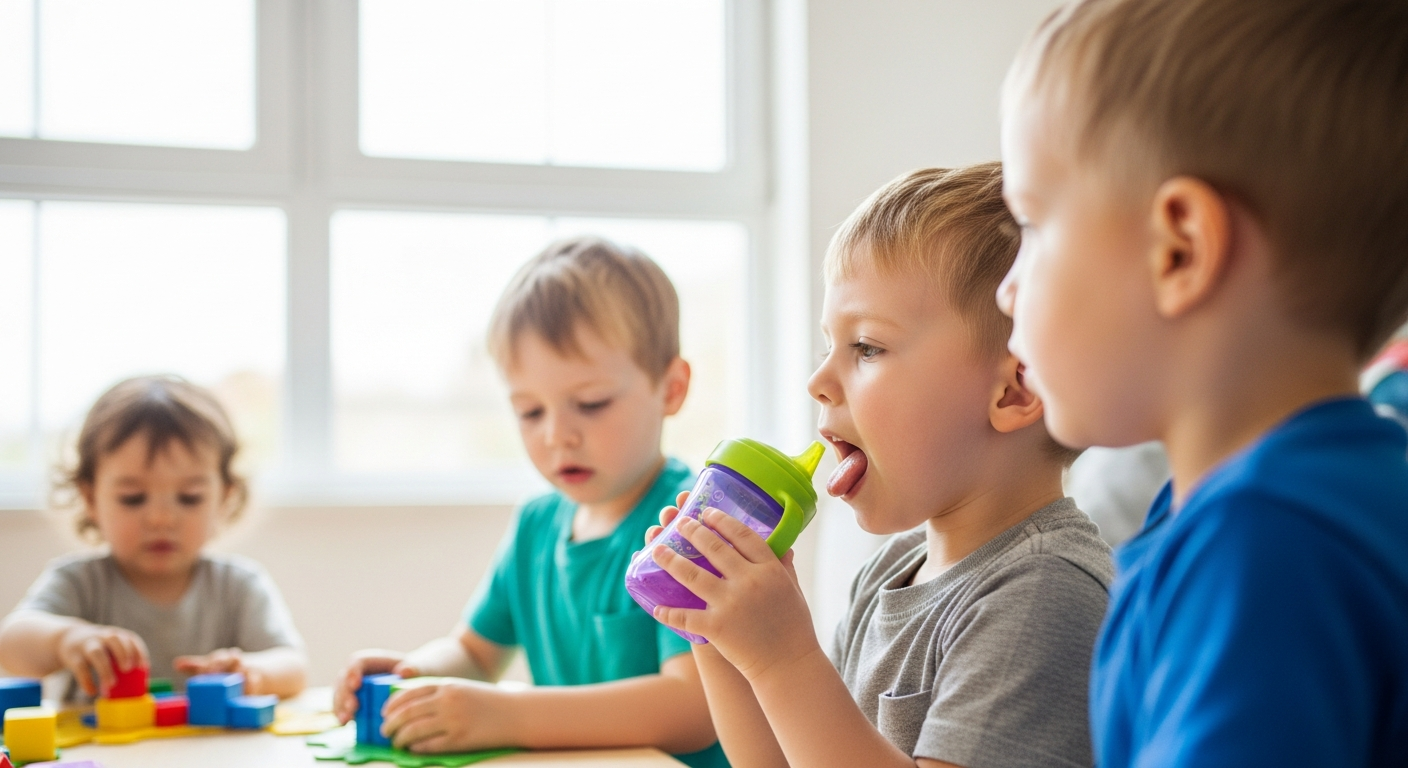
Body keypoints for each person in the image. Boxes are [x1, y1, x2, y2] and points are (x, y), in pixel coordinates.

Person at [996, 0, 1408, 763]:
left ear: (1178, 250)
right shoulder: (1278, 507)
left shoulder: (1266, 543)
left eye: (1031, 225)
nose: (1006, 290)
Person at [647, 164, 1113, 768]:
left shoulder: (1042, 595)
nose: (818, 381)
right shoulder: (891, 571)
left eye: (867, 347)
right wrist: (720, 635)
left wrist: (784, 658)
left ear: (1013, 392)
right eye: (828, 346)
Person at [332, 237, 726, 766]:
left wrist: (509, 716)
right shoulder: (536, 525)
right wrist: (415, 676)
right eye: (530, 412)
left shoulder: (691, 525)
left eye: (590, 403)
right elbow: (475, 654)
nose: (557, 435)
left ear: (671, 389)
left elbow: (693, 707)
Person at [0, 376, 307, 699]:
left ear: (225, 498)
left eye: (189, 497)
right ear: (90, 498)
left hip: (208, 736)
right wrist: (65, 639)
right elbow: (11, 645)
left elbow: (293, 666)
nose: (161, 518)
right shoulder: (81, 583)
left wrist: (252, 672)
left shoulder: (238, 587)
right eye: (133, 498)